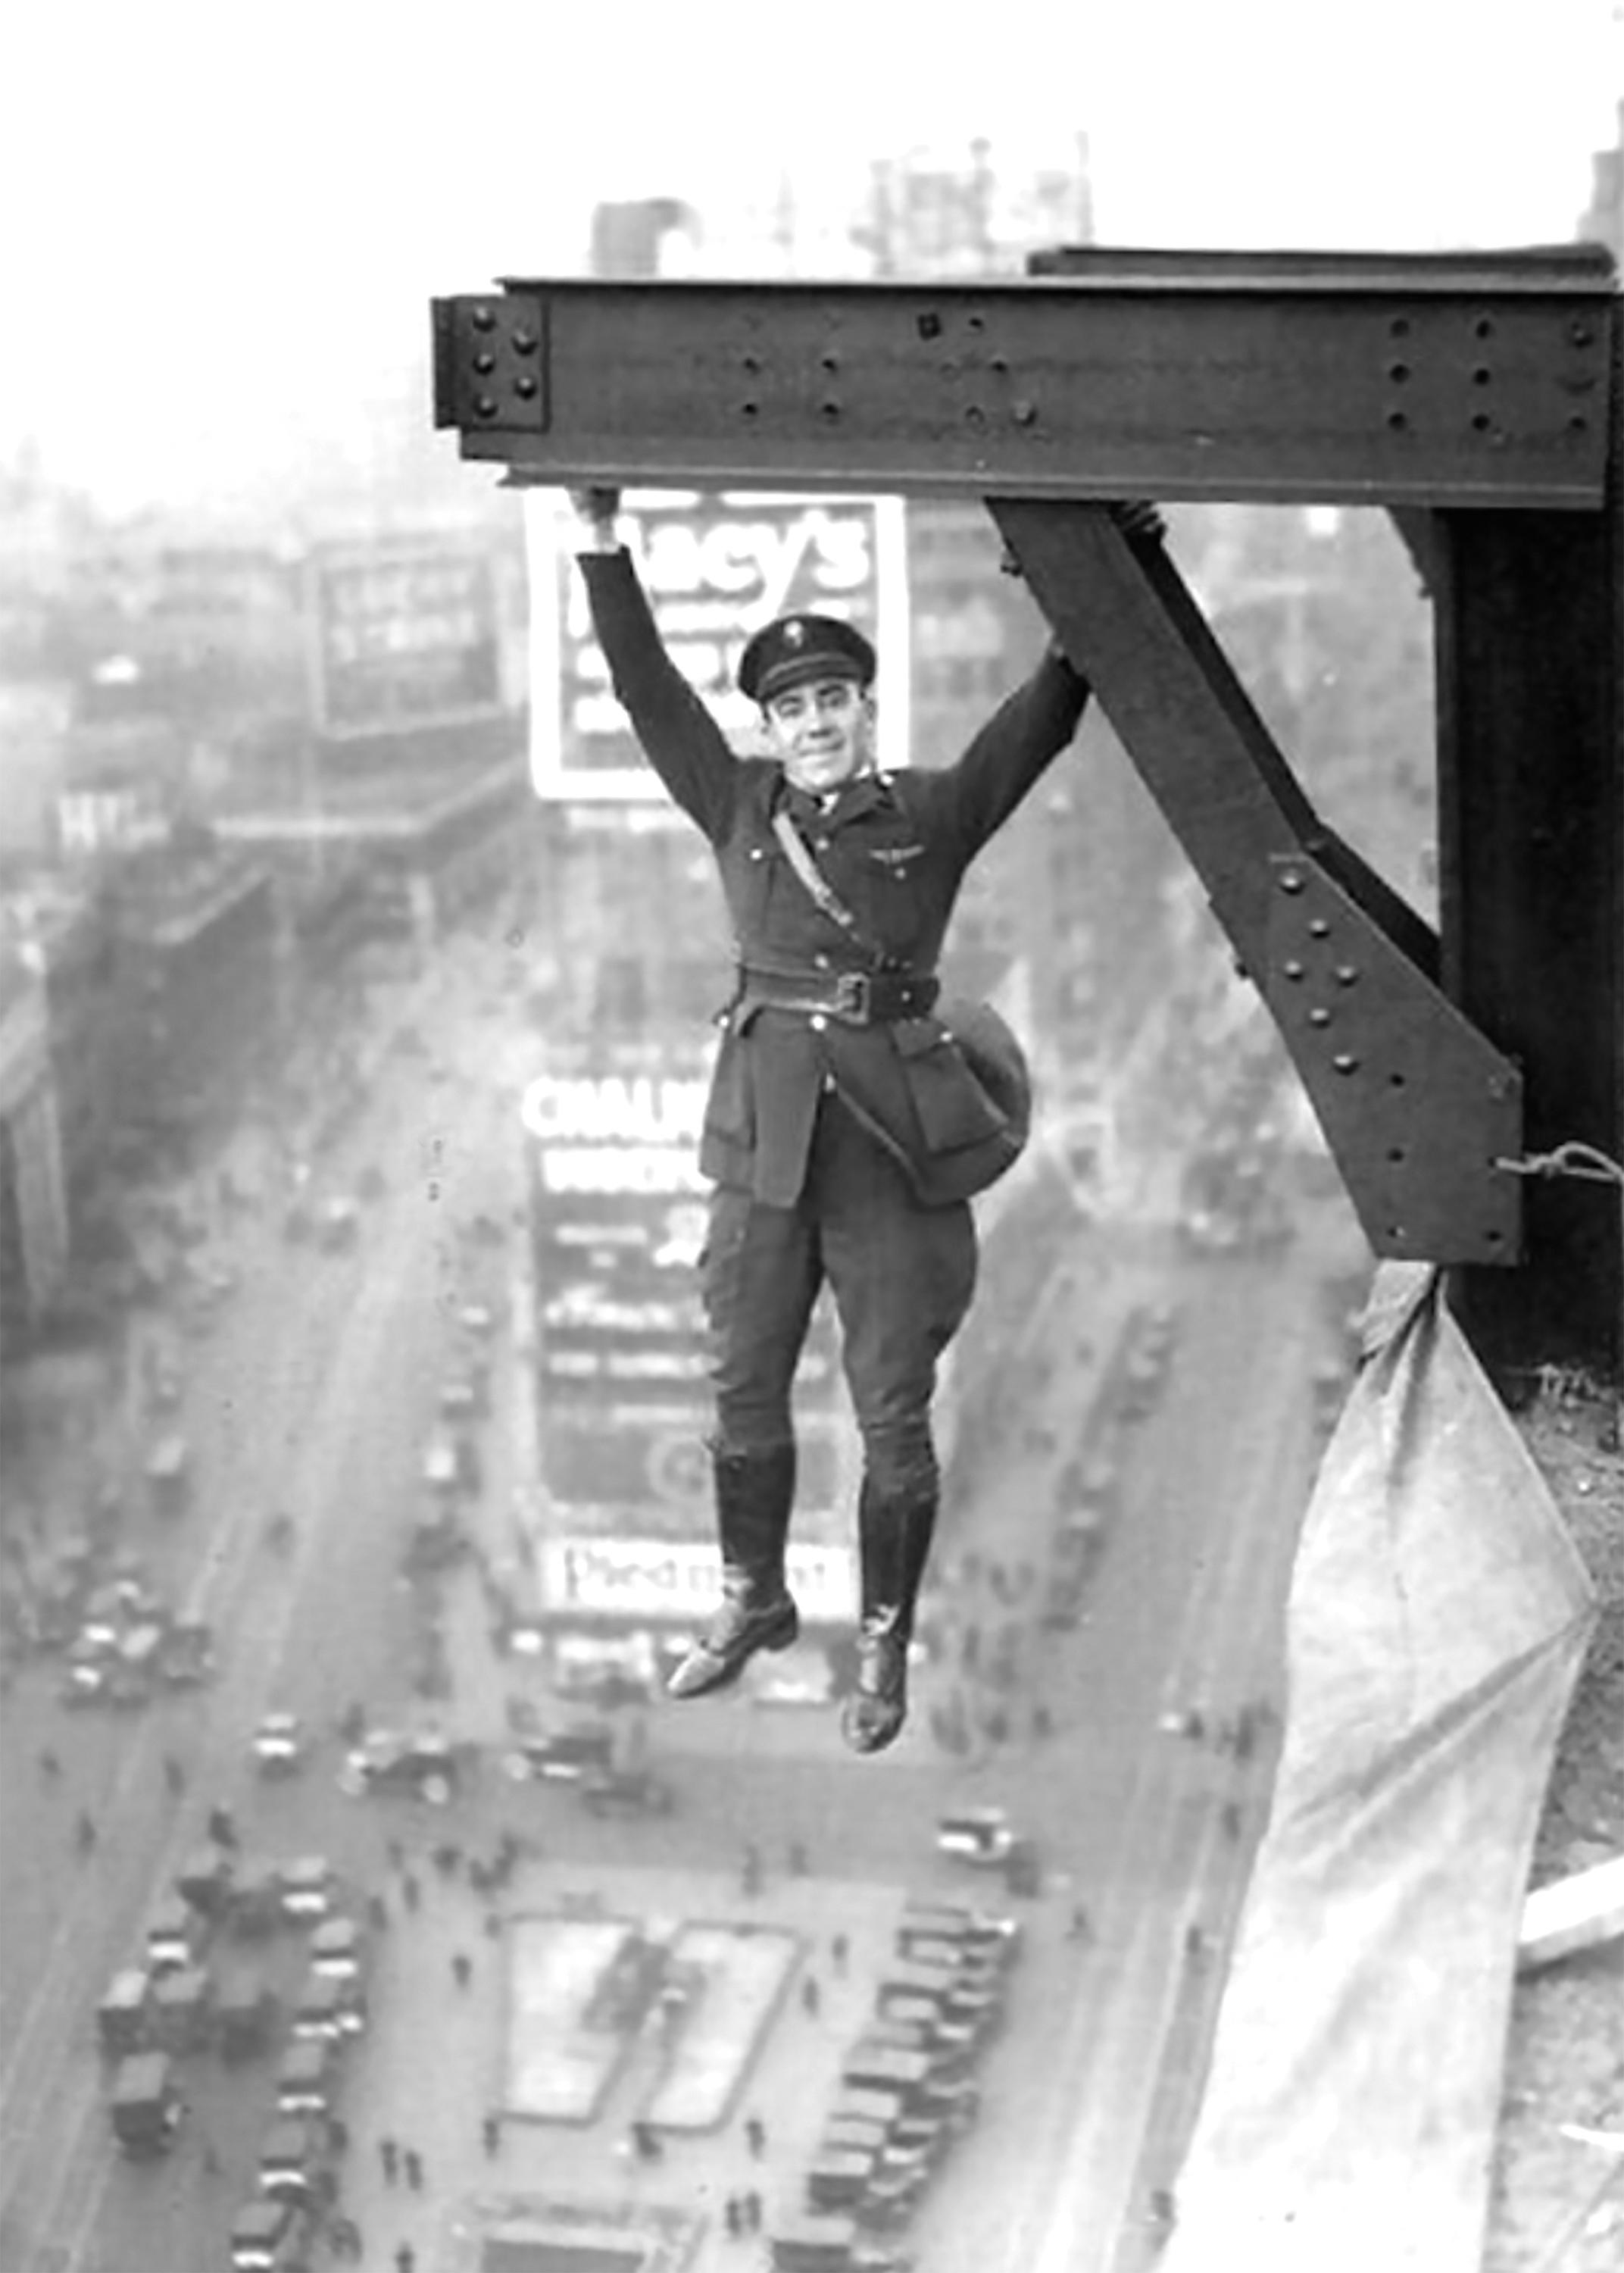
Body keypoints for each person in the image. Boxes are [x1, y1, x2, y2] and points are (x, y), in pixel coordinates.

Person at [570, 489, 1158, 1752]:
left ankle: (883, 1639)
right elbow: (641, 687)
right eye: (791, 709)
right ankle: (752, 1599)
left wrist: (1110, 564)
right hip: (764, 1157)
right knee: (741, 1385)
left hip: (894, 1161)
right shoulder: (736, 804)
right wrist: (599, 535)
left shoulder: (934, 815)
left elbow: (1045, 717)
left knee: (894, 1418)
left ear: (863, 710)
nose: (815, 723)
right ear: (771, 730)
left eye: (833, 700)